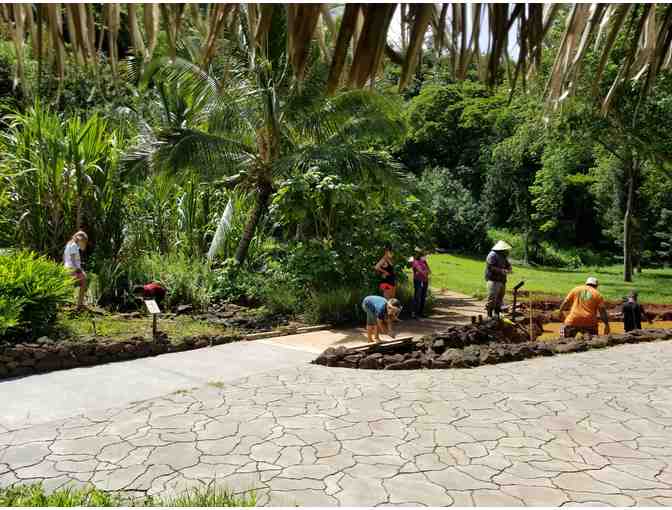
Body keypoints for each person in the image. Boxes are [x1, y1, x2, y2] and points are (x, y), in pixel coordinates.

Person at [484, 240, 512, 318]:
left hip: (502, 280)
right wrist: (501, 271)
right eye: (506, 250)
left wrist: (509, 268)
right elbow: (490, 267)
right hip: (493, 280)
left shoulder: (503, 256)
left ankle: (496, 314)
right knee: (492, 298)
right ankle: (489, 315)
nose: (507, 251)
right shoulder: (492, 255)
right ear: (502, 249)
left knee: (500, 298)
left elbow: (508, 265)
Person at [63, 230, 88, 310]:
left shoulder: (69, 244)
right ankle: (79, 305)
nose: (84, 243)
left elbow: (64, 257)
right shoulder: (74, 245)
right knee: (84, 281)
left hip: (67, 268)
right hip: (73, 268)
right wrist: (77, 269)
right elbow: (73, 258)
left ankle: (64, 304)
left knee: (68, 286)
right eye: (83, 241)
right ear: (80, 239)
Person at [410, 247, 431, 319]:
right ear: (420, 256)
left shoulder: (424, 262)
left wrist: (424, 272)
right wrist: (424, 272)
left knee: (423, 296)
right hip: (418, 281)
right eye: (424, 256)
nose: (425, 257)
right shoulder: (415, 262)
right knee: (417, 296)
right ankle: (414, 313)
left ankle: (421, 312)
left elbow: (429, 271)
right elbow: (421, 271)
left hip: (425, 281)